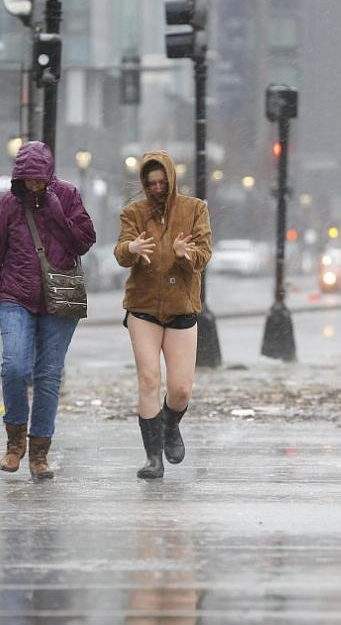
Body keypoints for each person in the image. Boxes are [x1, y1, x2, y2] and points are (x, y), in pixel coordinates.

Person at [0, 140, 96, 479]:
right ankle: (15, 442)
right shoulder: (8, 206)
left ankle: (39, 454)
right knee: (14, 366)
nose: (35, 185)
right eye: (28, 179)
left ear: (50, 176)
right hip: (16, 295)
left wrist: (55, 210)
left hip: (59, 297)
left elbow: (84, 240)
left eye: (40, 179)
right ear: (19, 177)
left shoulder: (66, 196)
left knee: (48, 376)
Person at [114, 150, 212, 479]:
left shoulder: (195, 209)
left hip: (181, 306)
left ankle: (171, 425)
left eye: (161, 182)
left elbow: (205, 254)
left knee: (182, 388)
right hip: (143, 307)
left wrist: (186, 254)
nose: (156, 188)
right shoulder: (133, 213)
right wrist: (131, 249)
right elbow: (120, 252)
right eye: (150, 183)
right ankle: (153, 457)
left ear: (171, 179)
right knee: (149, 380)